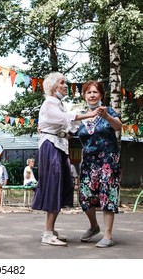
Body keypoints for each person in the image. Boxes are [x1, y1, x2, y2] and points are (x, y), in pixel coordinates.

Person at [31, 72, 98, 246]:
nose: (65, 86)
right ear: (53, 87)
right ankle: (47, 233)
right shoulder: (49, 103)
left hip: (59, 145)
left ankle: (51, 229)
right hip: (51, 145)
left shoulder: (58, 104)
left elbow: (68, 126)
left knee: (62, 184)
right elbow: (65, 119)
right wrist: (89, 115)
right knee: (53, 184)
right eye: (62, 83)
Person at [77, 80, 122, 248]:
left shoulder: (109, 111)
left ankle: (108, 235)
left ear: (101, 95)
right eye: (89, 92)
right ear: (84, 96)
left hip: (108, 162)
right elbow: (69, 132)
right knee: (85, 197)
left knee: (107, 195)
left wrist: (107, 117)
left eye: (95, 92)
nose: (92, 95)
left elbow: (118, 127)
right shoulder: (82, 116)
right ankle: (94, 226)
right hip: (88, 163)